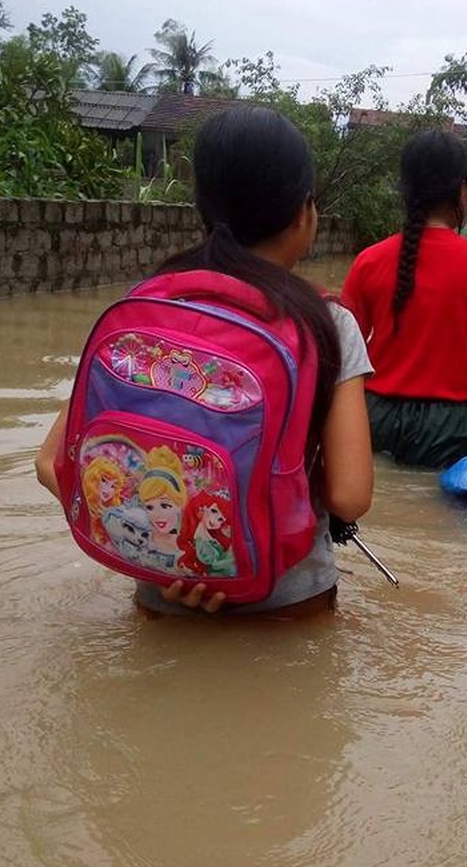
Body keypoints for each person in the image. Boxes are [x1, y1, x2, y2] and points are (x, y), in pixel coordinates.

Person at [35, 107, 374, 617]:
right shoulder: (328, 323)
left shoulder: (146, 308)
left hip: (161, 590)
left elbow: (49, 465)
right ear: (304, 213)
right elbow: (350, 496)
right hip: (284, 600)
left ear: (203, 205)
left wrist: (164, 552)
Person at [340, 128, 467, 469]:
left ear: (405, 192)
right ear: (463, 190)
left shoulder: (368, 261)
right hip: (447, 425)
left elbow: (345, 343)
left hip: (374, 414)